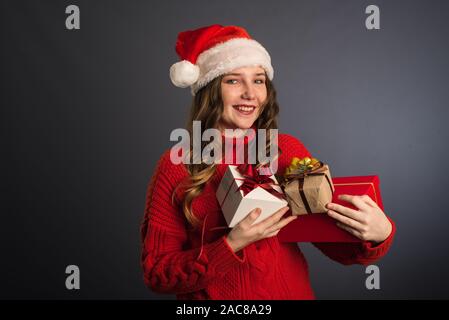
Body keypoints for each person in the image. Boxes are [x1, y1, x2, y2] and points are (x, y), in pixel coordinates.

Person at [140, 24, 396, 300]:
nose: (250, 93)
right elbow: (157, 274)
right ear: (209, 90)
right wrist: (232, 244)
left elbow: (337, 248)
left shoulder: (286, 150)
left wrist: (379, 234)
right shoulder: (177, 165)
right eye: (234, 80)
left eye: (259, 80)